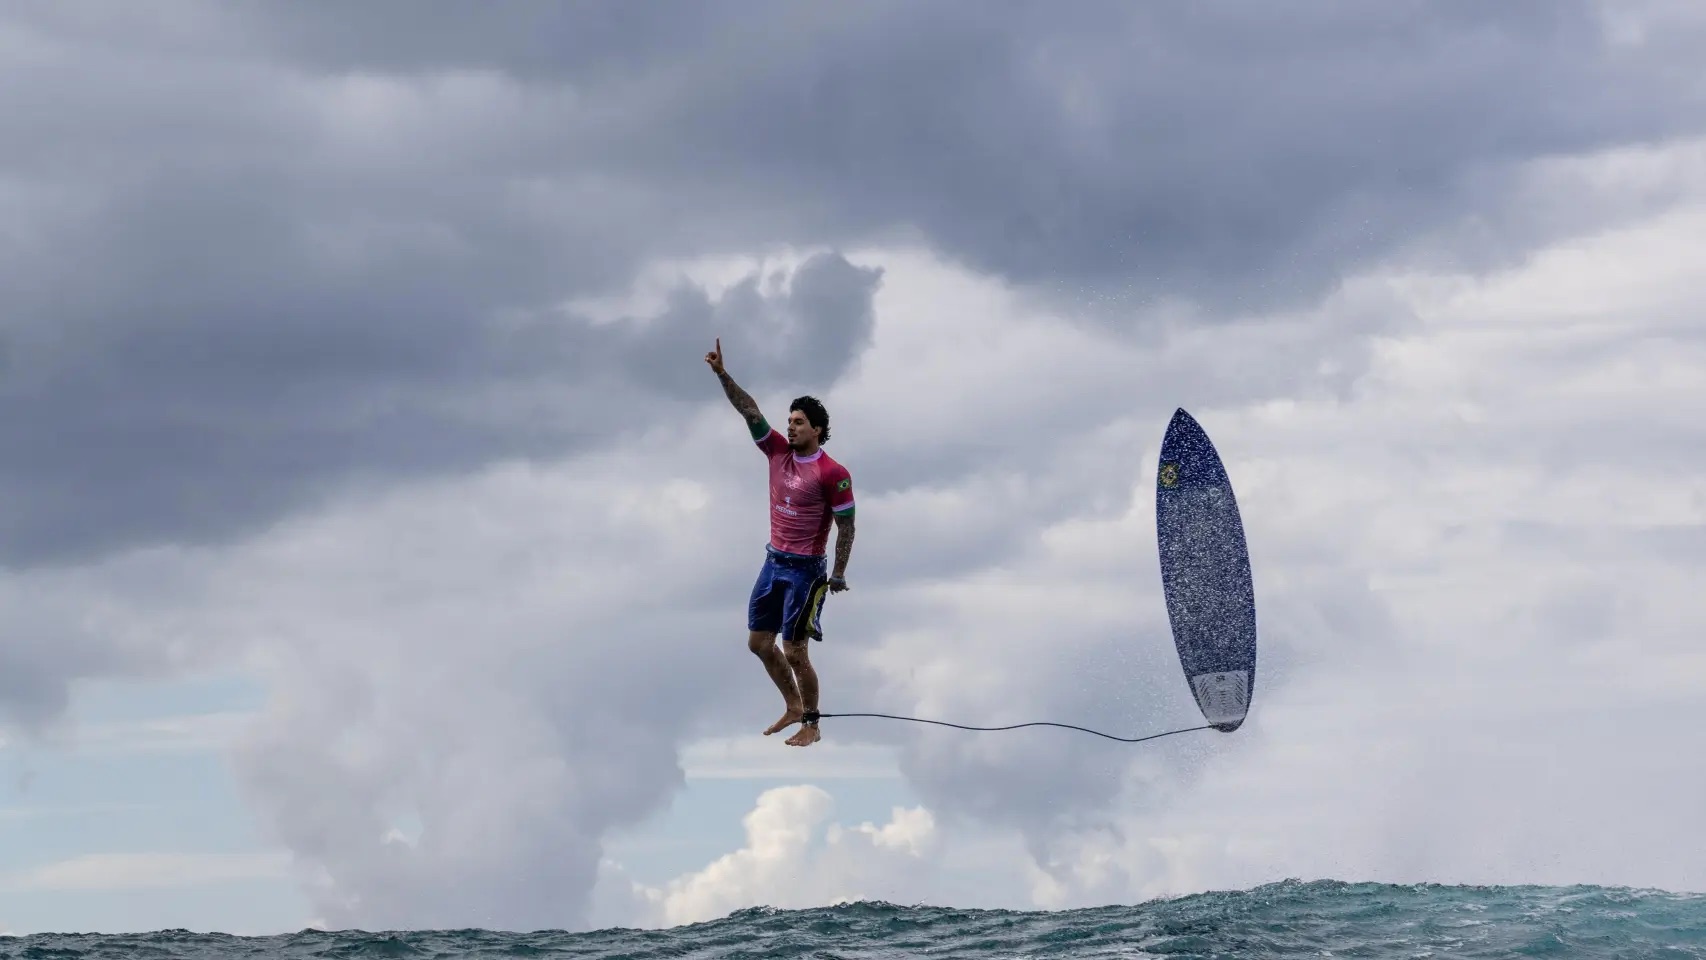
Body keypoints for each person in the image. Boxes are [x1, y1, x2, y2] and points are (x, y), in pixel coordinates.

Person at [705, 337, 855, 748]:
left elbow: (847, 526)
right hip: (773, 562)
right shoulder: (776, 452)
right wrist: (722, 374)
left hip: (806, 572)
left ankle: (812, 723)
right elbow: (749, 410)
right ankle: (792, 705)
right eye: (789, 421)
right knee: (758, 643)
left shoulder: (832, 472)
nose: (790, 427)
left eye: (799, 422)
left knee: (795, 651)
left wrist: (838, 573)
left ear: (818, 430)